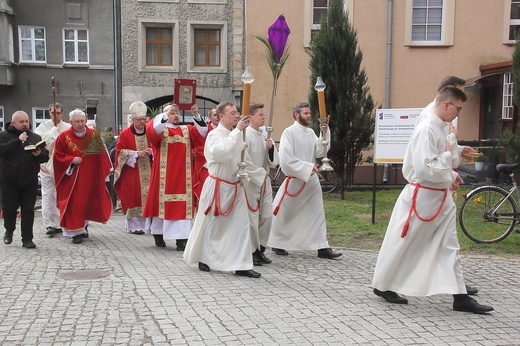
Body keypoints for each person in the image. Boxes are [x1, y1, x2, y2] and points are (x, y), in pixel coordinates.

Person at [371, 86, 494, 314]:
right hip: (422, 198)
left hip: (440, 196)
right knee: (404, 243)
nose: (458, 114)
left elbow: (439, 161)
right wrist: (448, 157)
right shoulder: (426, 128)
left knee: (450, 246)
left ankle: (460, 297)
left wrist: (452, 175)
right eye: (457, 108)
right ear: (446, 104)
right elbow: (425, 167)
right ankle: (383, 284)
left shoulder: (441, 128)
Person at [183, 101, 261, 278]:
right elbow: (221, 153)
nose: (236, 115)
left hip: (235, 186)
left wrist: (258, 175)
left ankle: (242, 264)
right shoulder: (214, 135)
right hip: (218, 186)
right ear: (221, 116)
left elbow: (244, 160)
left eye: (237, 112)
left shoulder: (237, 134)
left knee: (241, 226)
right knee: (213, 225)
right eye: (232, 113)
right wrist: (237, 132)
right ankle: (204, 257)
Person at [267, 102, 342, 259]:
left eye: (309, 113)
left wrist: (324, 131)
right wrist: (308, 166)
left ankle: (322, 247)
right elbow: (286, 159)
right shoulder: (289, 133)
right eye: (306, 113)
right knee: (285, 213)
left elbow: (321, 150)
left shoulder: (310, 133)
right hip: (296, 179)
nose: (309, 115)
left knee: (317, 213)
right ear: (297, 115)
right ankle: (277, 242)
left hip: (311, 180)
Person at [143, 103, 207, 250]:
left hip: (183, 177)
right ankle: (158, 234)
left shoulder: (187, 130)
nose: (176, 115)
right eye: (173, 113)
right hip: (163, 176)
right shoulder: (161, 130)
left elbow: (203, 133)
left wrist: (196, 116)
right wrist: (166, 115)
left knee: (182, 206)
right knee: (160, 204)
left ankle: (181, 239)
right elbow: (152, 131)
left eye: (177, 113)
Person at [53, 109, 113, 244]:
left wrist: (104, 173)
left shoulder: (93, 135)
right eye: (77, 122)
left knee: (88, 203)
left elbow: (101, 155)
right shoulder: (63, 137)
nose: (80, 124)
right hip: (73, 178)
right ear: (70, 122)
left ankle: (83, 228)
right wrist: (70, 160)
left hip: (91, 176)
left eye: (82, 121)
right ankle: (75, 233)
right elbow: (58, 157)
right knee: (75, 203)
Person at [0, 111, 49, 248]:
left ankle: (27, 239)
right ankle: (9, 230)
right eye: (21, 122)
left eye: (26, 121)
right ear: (13, 122)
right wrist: (18, 141)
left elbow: (45, 156)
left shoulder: (34, 136)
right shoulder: (4, 135)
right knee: (9, 209)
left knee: (28, 210)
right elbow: (2, 150)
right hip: (9, 180)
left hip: (29, 179)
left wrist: (39, 153)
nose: (25, 124)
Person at [245, 102, 279, 266]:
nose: (264, 117)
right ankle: (252, 251)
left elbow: (273, 162)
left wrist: (271, 148)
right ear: (251, 117)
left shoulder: (266, 135)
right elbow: (245, 160)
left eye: (264, 115)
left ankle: (261, 248)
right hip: (251, 181)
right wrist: (259, 175)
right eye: (260, 115)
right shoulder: (246, 135)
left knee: (266, 215)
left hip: (264, 180)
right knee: (252, 217)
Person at [114, 101, 153, 235]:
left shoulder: (150, 132)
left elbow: (158, 146)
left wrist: (151, 151)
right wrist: (135, 154)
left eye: (144, 119)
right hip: (132, 171)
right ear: (132, 120)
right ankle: (135, 226)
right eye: (139, 119)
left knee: (150, 196)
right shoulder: (125, 134)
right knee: (134, 195)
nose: (142, 122)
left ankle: (150, 225)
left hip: (150, 169)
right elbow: (119, 152)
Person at [35, 103, 72, 237]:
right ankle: (50, 224)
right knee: (48, 195)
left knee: (63, 194)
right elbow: (39, 142)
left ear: (62, 113)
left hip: (63, 167)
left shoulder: (68, 127)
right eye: (52, 113)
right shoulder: (43, 127)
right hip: (47, 166)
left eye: (57, 113)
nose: (55, 116)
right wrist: (52, 134)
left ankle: (62, 221)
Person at [193, 107, 219, 206]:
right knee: (207, 194)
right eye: (214, 115)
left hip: (222, 167)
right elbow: (199, 148)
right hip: (207, 166)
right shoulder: (205, 129)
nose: (217, 117)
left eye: (219, 114)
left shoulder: (228, 130)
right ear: (209, 117)